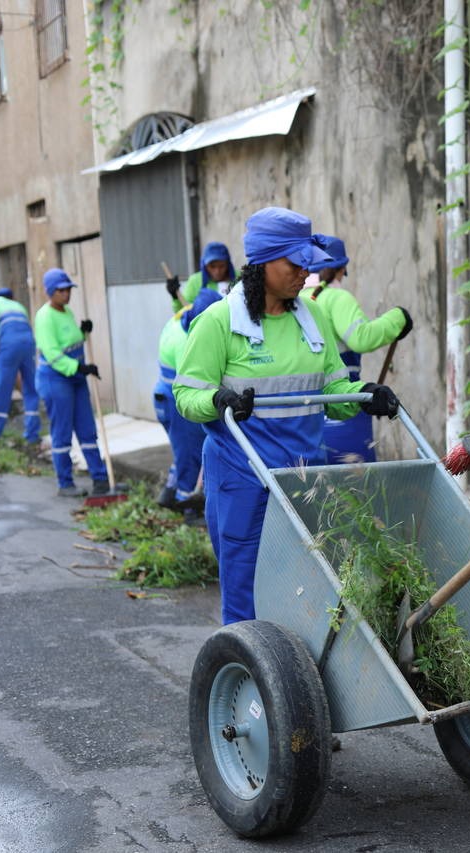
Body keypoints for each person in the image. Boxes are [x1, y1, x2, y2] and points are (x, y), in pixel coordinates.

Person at [173, 207, 401, 625]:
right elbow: (187, 394)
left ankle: (295, 682)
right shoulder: (219, 322)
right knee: (247, 593)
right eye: (295, 264)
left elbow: (332, 392)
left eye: (307, 264)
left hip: (306, 479)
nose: (304, 273)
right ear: (262, 262)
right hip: (243, 479)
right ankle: (248, 681)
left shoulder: (311, 319)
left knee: (305, 590)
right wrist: (218, 401)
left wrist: (364, 394)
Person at [305, 234, 413, 463]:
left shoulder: (297, 301)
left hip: (306, 414)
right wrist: (397, 319)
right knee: (355, 489)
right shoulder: (336, 298)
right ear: (341, 268)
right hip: (342, 405)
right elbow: (360, 338)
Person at [34, 268, 110, 498]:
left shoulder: (65, 311)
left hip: (76, 379)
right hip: (56, 381)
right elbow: (53, 353)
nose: (66, 294)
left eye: (68, 289)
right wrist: (80, 368)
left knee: (87, 430)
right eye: (61, 290)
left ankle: (100, 479)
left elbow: (69, 342)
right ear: (50, 292)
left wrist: (82, 333)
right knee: (62, 432)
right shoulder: (44, 317)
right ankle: (65, 483)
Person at [152, 288, 222, 525]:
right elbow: (202, 382)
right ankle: (189, 510)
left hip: (162, 394)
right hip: (176, 401)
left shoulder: (180, 316)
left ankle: (169, 491)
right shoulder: (189, 343)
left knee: (183, 450)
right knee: (191, 454)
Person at [0, 287, 41, 448]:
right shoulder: (19, 306)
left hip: (9, 344)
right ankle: (32, 434)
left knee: (1, 388)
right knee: (30, 388)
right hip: (28, 343)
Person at [166, 242, 235, 311]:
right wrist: (175, 297)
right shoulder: (196, 281)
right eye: (212, 266)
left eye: (221, 266)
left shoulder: (238, 278)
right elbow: (182, 311)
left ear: (228, 264)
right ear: (204, 266)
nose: (217, 271)